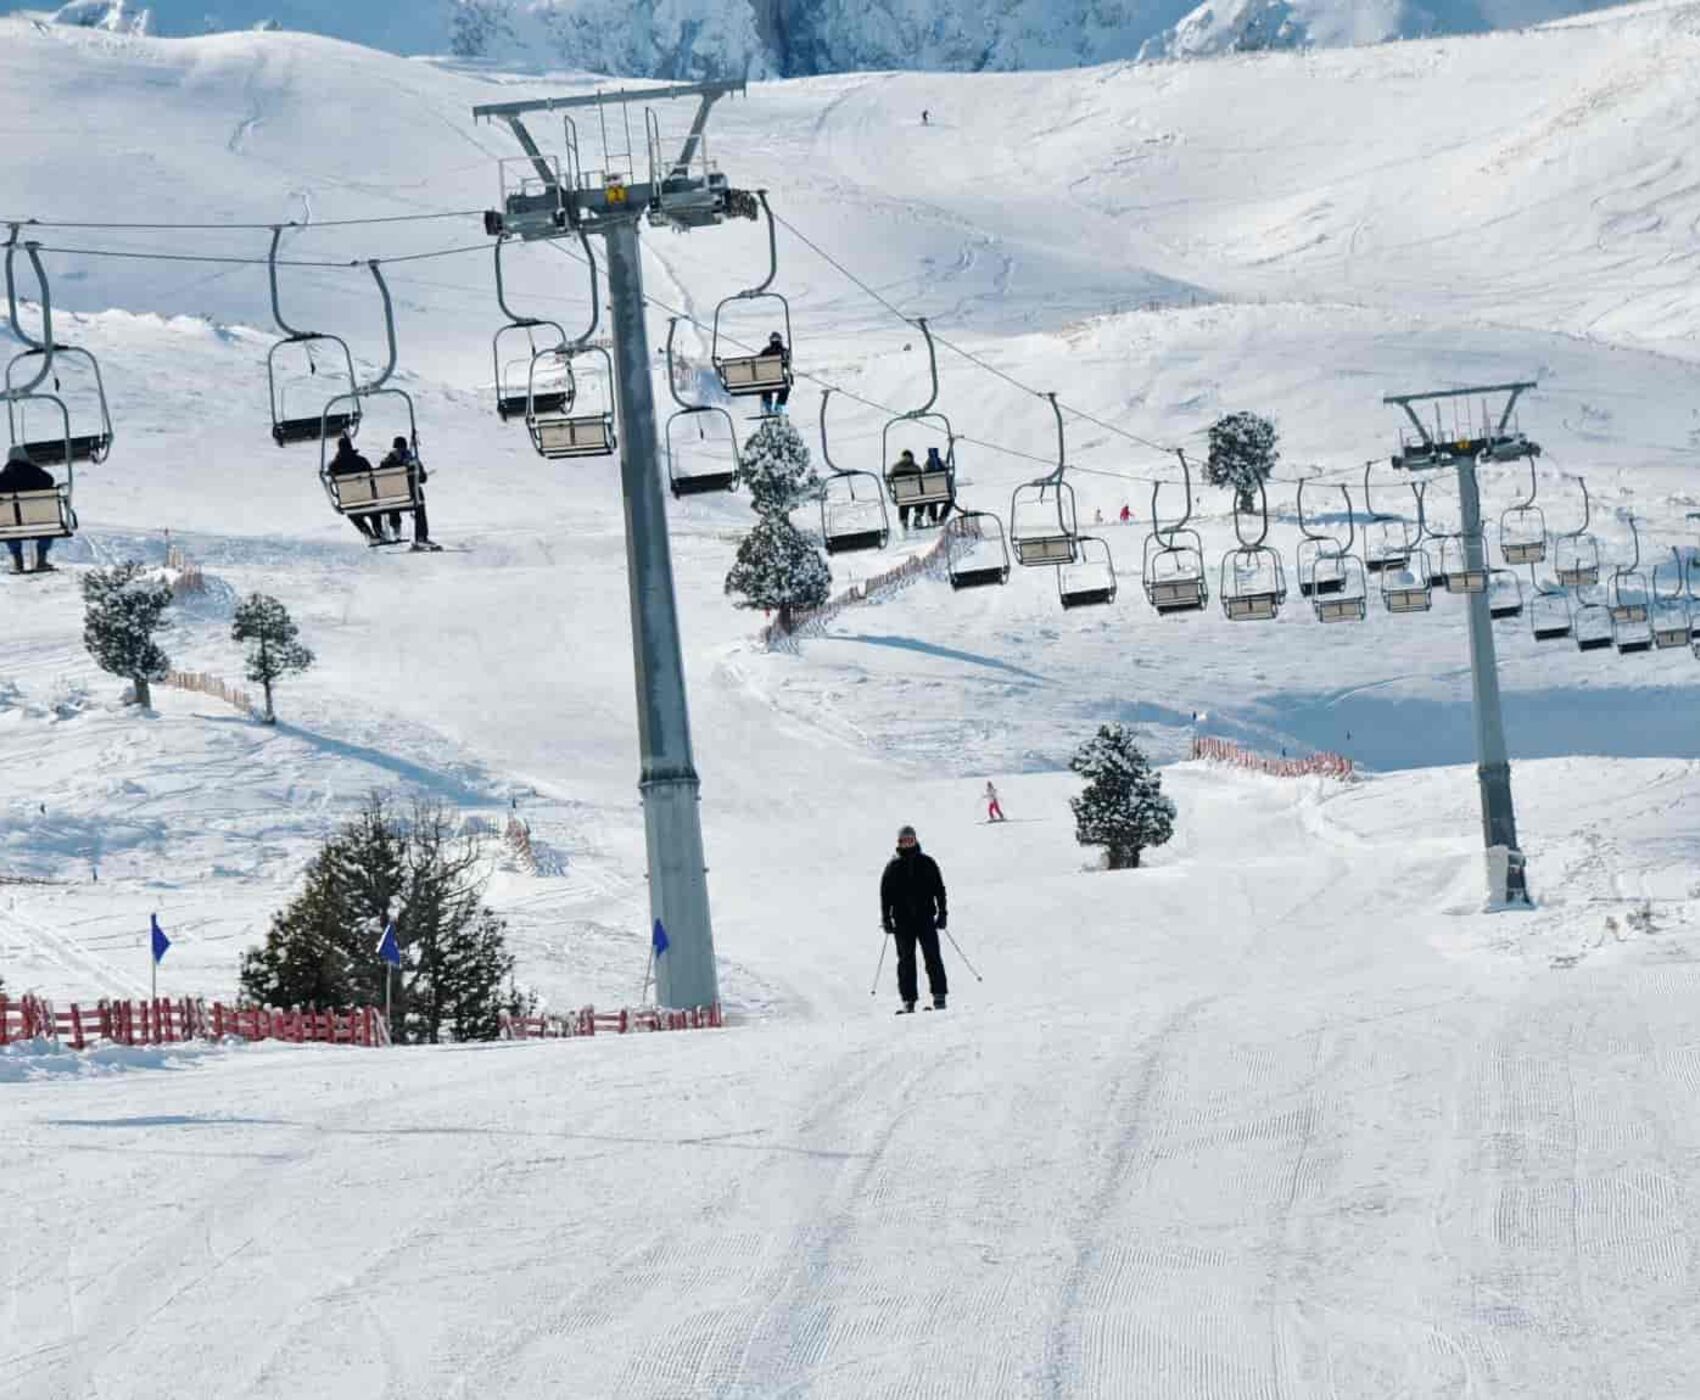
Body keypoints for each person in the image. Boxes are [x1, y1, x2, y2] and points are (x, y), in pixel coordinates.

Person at [881, 824, 948, 1013]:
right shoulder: (893, 866)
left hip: (925, 918)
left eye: (911, 839)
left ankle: (939, 997)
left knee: (932, 957)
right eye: (904, 840)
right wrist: (886, 919)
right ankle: (908, 1001)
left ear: (915, 840)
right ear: (899, 842)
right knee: (905, 961)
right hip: (902, 922)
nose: (908, 843)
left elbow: (939, 889)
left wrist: (942, 913)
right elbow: (885, 895)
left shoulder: (927, 863)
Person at [0, 446, 59, 574]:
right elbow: (50, 480)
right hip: (40, 522)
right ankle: (41, 559)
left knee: (9, 526)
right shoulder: (36, 473)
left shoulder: (3, 477)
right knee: (47, 524)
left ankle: (18, 560)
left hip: (13, 524)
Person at [377, 435, 440, 552]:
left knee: (392, 494)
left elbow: (381, 479)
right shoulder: (412, 460)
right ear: (405, 447)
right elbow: (422, 479)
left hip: (394, 497)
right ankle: (421, 537)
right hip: (412, 496)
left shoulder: (386, 462)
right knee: (419, 502)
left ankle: (396, 528)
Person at [326, 433, 384, 543]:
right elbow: (371, 475)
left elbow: (330, 474)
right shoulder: (362, 460)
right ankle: (378, 531)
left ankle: (368, 533)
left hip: (350, 500)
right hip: (367, 498)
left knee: (353, 515)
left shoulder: (335, 465)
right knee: (374, 512)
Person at [758, 331, 791, 415]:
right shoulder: (784, 351)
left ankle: (767, 405)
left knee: (766, 386)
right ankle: (778, 406)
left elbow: (758, 363)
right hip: (778, 379)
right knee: (786, 387)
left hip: (765, 380)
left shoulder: (765, 351)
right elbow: (787, 364)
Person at [888, 448, 922, 529]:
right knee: (910, 500)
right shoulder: (914, 467)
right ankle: (911, 518)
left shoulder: (897, 467)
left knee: (906, 501)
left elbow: (890, 478)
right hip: (909, 493)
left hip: (907, 493)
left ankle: (909, 519)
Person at [922, 445, 949, 525]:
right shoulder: (941, 462)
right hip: (943, 491)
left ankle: (933, 519)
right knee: (950, 499)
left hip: (930, 491)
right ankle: (942, 517)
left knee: (931, 499)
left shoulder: (927, 464)